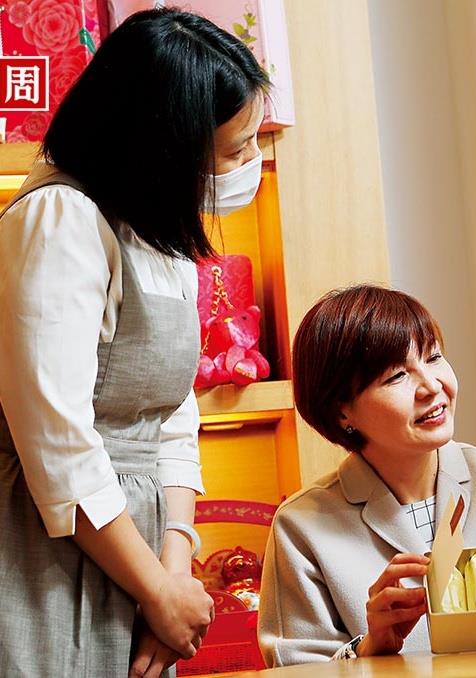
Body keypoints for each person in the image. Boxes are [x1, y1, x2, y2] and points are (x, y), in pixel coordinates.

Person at [0, 9, 269, 677]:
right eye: (236, 150)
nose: (251, 165)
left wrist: (173, 570)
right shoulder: (60, 219)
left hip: (139, 556)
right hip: (46, 548)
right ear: (165, 148)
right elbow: (56, 440)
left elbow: (172, 418)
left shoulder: (160, 234)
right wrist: (155, 587)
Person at [258, 285, 476, 664]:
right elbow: (294, 670)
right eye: (396, 376)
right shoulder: (300, 526)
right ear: (341, 412)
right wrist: (367, 649)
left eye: (433, 357)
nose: (432, 386)